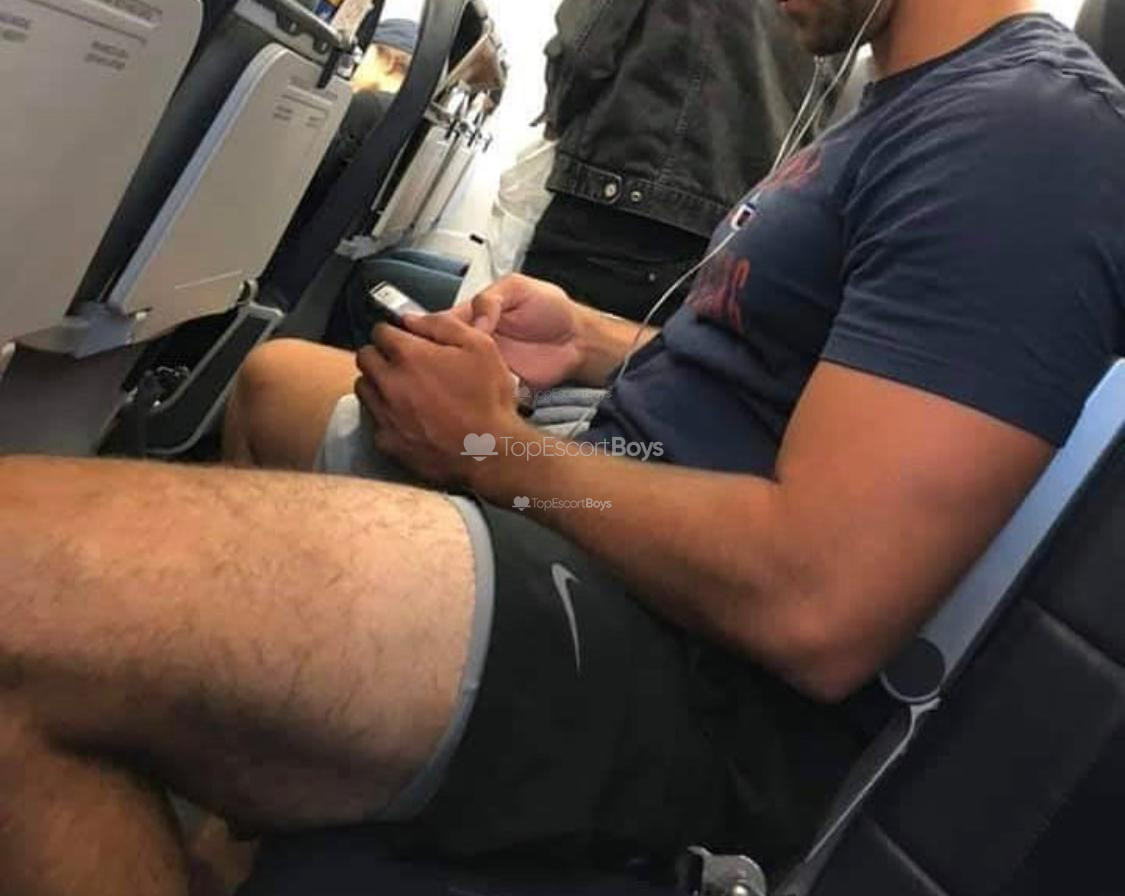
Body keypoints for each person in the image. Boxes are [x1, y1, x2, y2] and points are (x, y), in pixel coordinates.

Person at [3, 2, 1125, 893]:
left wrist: (488, 449)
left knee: (18, 590)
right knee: (275, 380)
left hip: (691, 665)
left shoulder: (1026, 132)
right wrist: (590, 339)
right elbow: (815, 378)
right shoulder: (897, 102)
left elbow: (818, 603)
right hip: (612, 490)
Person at [520, 0, 815, 322]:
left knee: (532, 339)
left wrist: (558, 112)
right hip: (737, 247)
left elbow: (585, 44)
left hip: (616, 204)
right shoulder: (844, 19)